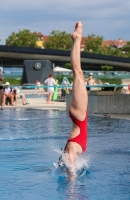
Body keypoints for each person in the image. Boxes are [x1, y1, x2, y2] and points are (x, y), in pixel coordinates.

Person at [58, 21, 88, 172]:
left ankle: (77, 39)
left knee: (78, 72)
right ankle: (77, 39)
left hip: (79, 116)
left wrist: (72, 192)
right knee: (78, 73)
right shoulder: (70, 150)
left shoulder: (70, 150)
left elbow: (70, 167)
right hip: (79, 118)